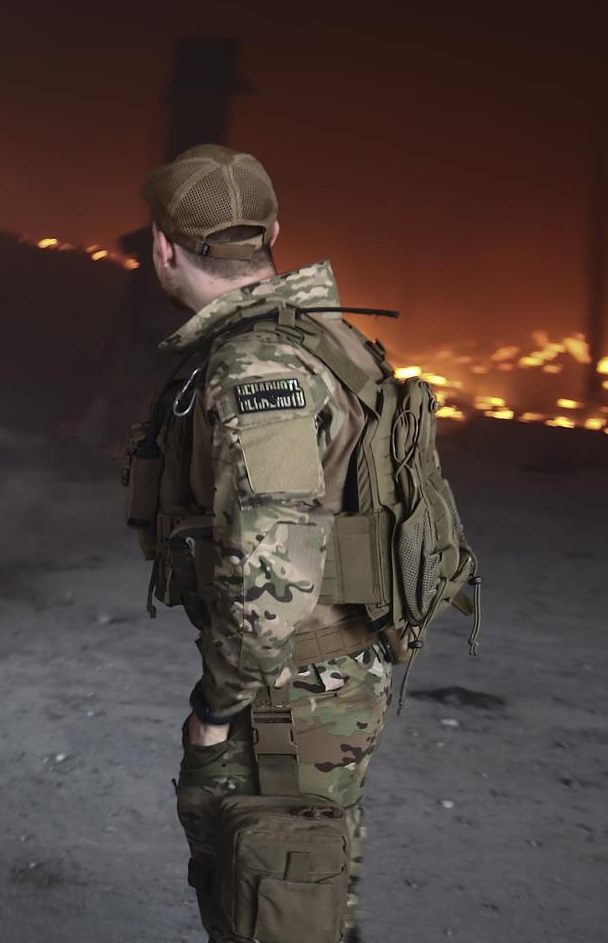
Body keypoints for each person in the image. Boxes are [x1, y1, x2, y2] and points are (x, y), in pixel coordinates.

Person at [129, 144, 398, 943]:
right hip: (330, 672)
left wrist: (215, 709)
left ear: (163, 247)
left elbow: (272, 577)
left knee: (270, 903)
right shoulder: (322, 333)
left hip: (283, 695)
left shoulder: (258, 367)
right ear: (273, 230)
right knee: (309, 893)